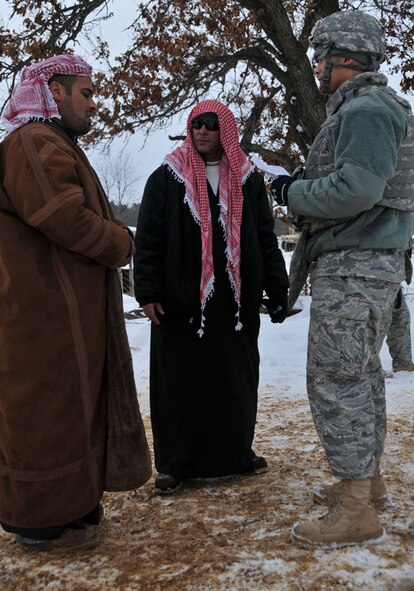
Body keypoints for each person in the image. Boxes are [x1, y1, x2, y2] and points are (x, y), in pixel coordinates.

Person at [0, 54, 150, 551]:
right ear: (53, 92)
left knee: (72, 411)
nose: (94, 104)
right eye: (86, 93)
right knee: (46, 414)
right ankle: (42, 521)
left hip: (62, 318)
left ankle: (73, 510)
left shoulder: (51, 143)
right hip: (42, 321)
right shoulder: (34, 143)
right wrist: (122, 242)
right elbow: (65, 218)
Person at [271, 11, 414, 548]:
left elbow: (356, 189)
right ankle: (365, 486)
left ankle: (357, 508)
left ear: (343, 55)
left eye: (320, 54)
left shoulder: (369, 109)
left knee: (337, 379)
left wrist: (291, 194)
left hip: (354, 266)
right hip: (364, 264)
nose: (315, 64)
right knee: (360, 376)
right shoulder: (369, 108)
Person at [134, 99, 289, 494]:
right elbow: (149, 239)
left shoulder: (248, 179)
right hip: (180, 301)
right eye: (195, 125)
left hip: (234, 303)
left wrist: (277, 287)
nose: (201, 131)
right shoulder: (167, 176)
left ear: (226, 132)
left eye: (209, 125)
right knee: (178, 382)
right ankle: (174, 465)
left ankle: (235, 453)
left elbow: (264, 239)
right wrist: (148, 289)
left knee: (234, 379)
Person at [385, 245, 414, 373]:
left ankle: (403, 363)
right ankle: (364, 368)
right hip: (365, 271)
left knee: (400, 317)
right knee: (371, 321)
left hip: (389, 272)